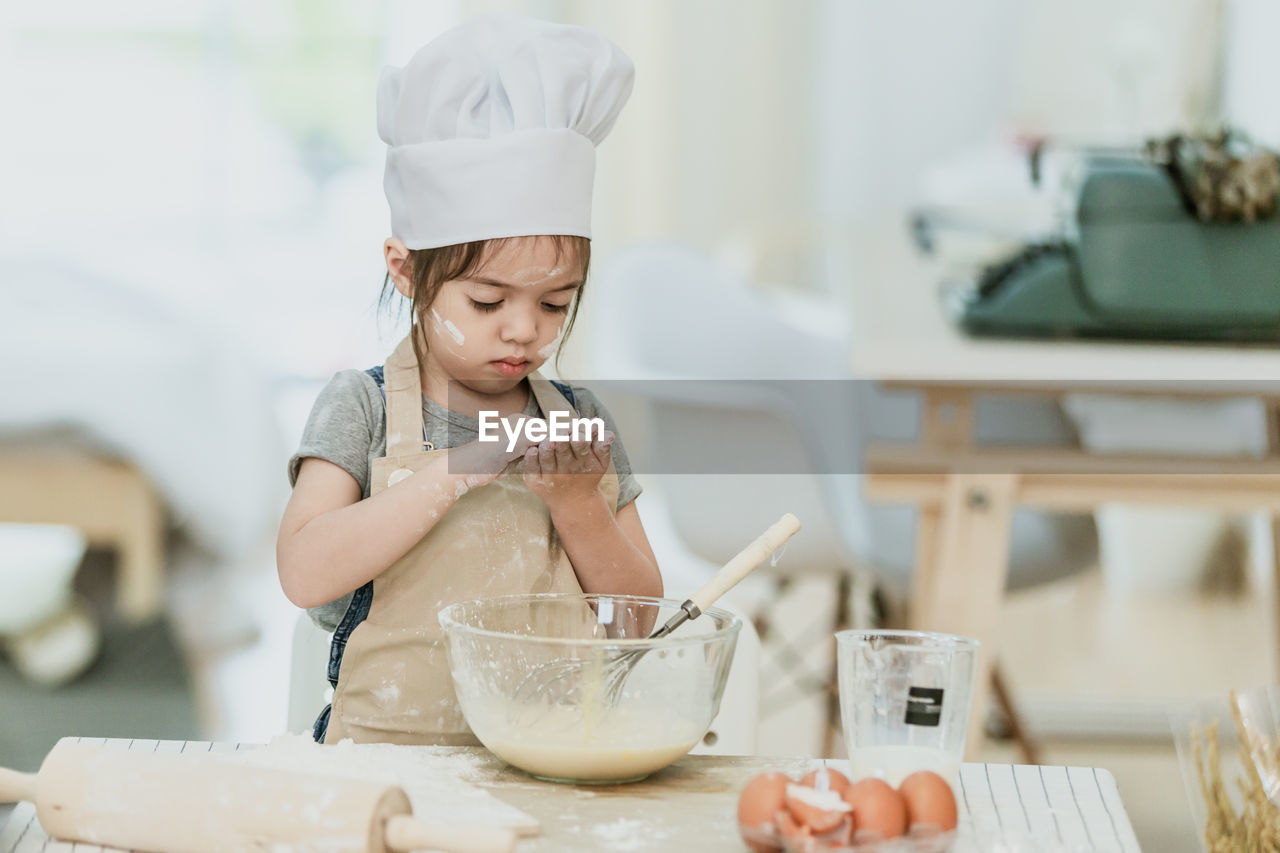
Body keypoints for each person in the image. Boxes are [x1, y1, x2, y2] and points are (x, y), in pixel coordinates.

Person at [276, 14, 661, 745]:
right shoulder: (361, 406)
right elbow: (303, 572)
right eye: (487, 301)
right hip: (387, 764)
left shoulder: (579, 423)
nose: (525, 329)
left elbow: (638, 620)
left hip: (555, 762)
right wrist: (454, 471)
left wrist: (579, 504)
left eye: (556, 303)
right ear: (406, 271)